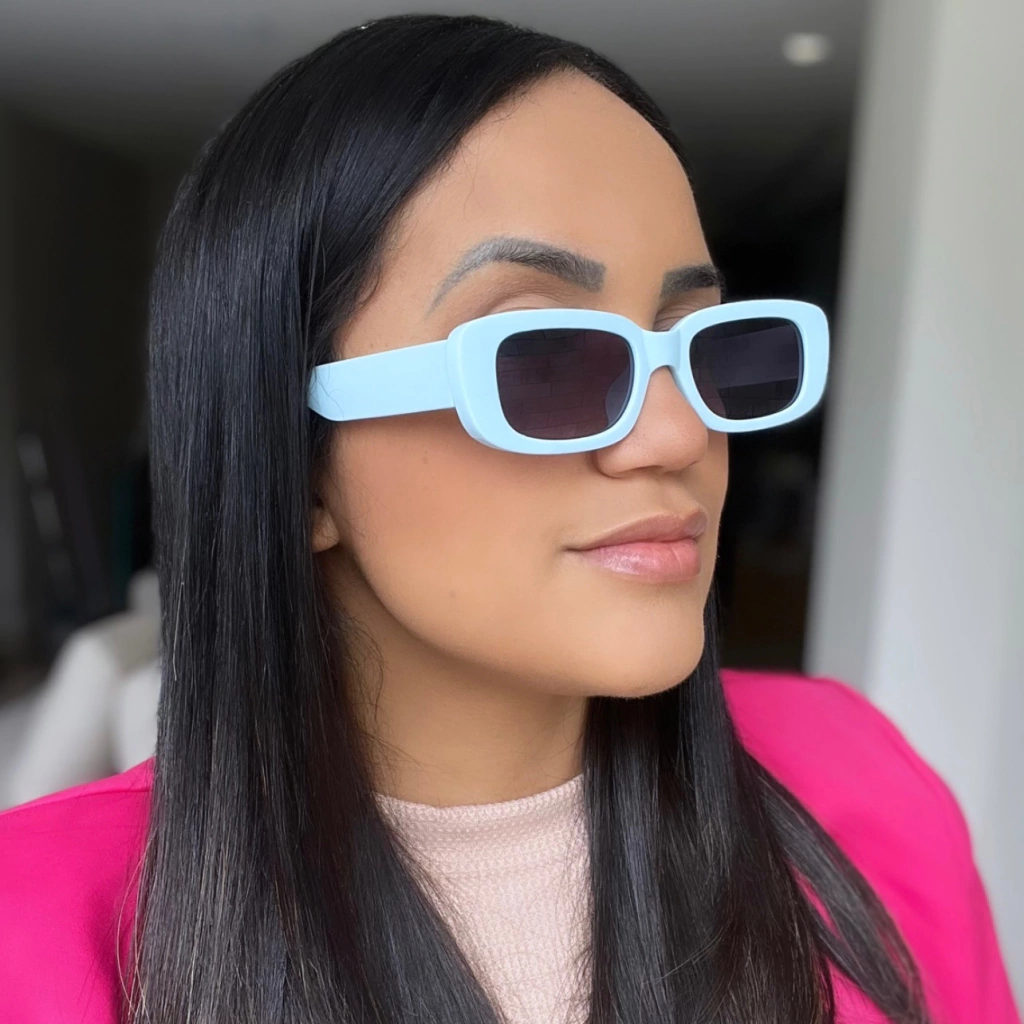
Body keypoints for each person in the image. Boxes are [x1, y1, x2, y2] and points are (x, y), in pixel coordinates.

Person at [0, 14, 1018, 1024]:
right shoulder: (33, 935)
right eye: (544, 360)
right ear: (299, 464)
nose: (677, 435)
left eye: (702, 345)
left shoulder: (859, 785)